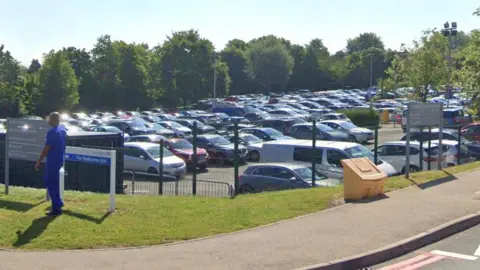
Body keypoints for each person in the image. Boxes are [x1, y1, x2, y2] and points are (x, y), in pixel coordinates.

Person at [34, 112, 67, 216]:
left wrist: (38, 161)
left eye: (49, 119)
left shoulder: (52, 132)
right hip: (60, 159)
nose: (48, 120)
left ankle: (56, 208)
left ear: (52, 120)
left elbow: (47, 148)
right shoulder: (63, 129)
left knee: (50, 182)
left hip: (52, 161)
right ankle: (59, 202)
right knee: (55, 182)